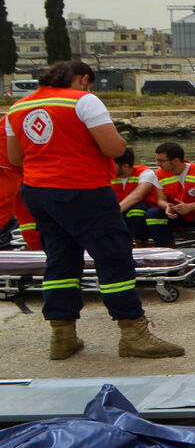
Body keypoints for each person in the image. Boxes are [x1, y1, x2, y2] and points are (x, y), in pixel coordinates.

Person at [7, 61, 183, 359]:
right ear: (84, 79)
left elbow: (14, 157)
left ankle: (62, 336)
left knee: (60, 260)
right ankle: (132, 334)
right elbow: (114, 149)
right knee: (113, 258)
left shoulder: (18, 107)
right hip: (83, 189)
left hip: (38, 192)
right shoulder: (83, 100)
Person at [0, 124, 40, 250]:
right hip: (10, 160)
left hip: (22, 163)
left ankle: (36, 248)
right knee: (5, 205)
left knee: (25, 210)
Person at [111, 147, 159, 245]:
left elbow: (138, 195)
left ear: (125, 166)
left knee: (136, 210)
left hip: (145, 211)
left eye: (112, 165)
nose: (108, 167)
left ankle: (140, 243)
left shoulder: (145, 173)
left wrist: (114, 212)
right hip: (121, 210)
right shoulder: (108, 175)